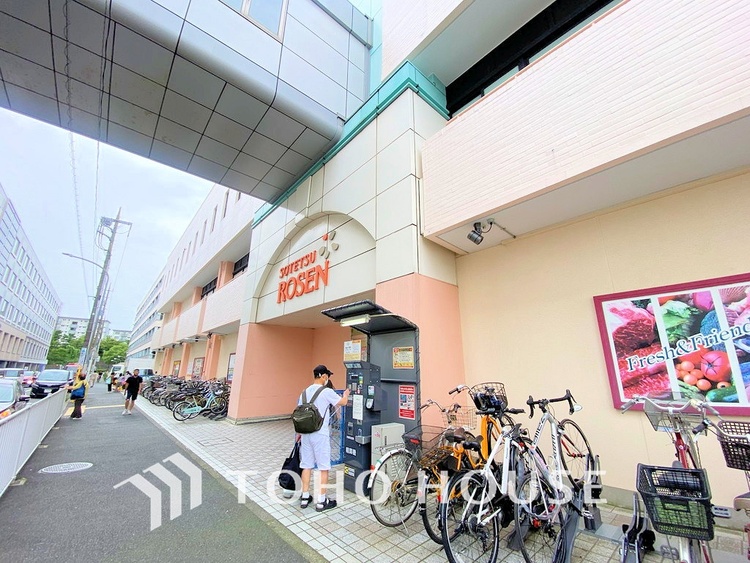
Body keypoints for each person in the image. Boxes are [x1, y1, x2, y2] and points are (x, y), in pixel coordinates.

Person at [298, 365, 349, 512]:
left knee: (306, 465)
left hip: (306, 433)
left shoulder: (304, 392)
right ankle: (321, 501)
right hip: (320, 434)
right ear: (323, 376)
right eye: (328, 376)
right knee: (323, 467)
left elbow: (300, 413)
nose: (328, 378)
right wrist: (346, 394)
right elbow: (343, 403)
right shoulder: (326, 391)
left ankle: (305, 496)